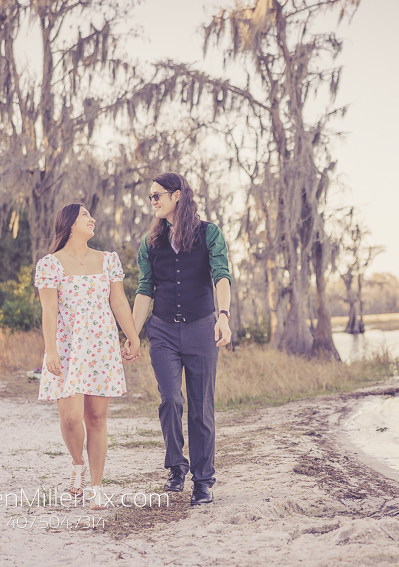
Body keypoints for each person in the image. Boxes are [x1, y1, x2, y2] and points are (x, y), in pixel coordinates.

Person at [126, 172, 232, 506]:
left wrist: (224, 317)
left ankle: (203, 482)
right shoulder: (151, 242)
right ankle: (176, 467)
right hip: (163, 331)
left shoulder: (208, 233)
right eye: (151, 197)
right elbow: (145, 289)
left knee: (201, 407)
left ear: (178, 196)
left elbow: (221, 275)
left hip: (202, 327)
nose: (153, 201)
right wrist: (132, 334)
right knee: (170, 399)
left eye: (157, 195)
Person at [34, 203, 140, 510]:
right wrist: (50, 348)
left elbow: (119, 302)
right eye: (84, 215)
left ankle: (95, 487)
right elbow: (49, 309)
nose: (92, 219)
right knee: (70, 418)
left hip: (101, 346)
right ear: (69, 224)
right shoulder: (50, 264)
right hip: (68, 347)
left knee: (96, 418)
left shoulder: (108, 260)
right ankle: (77, 463)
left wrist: (132, 337)